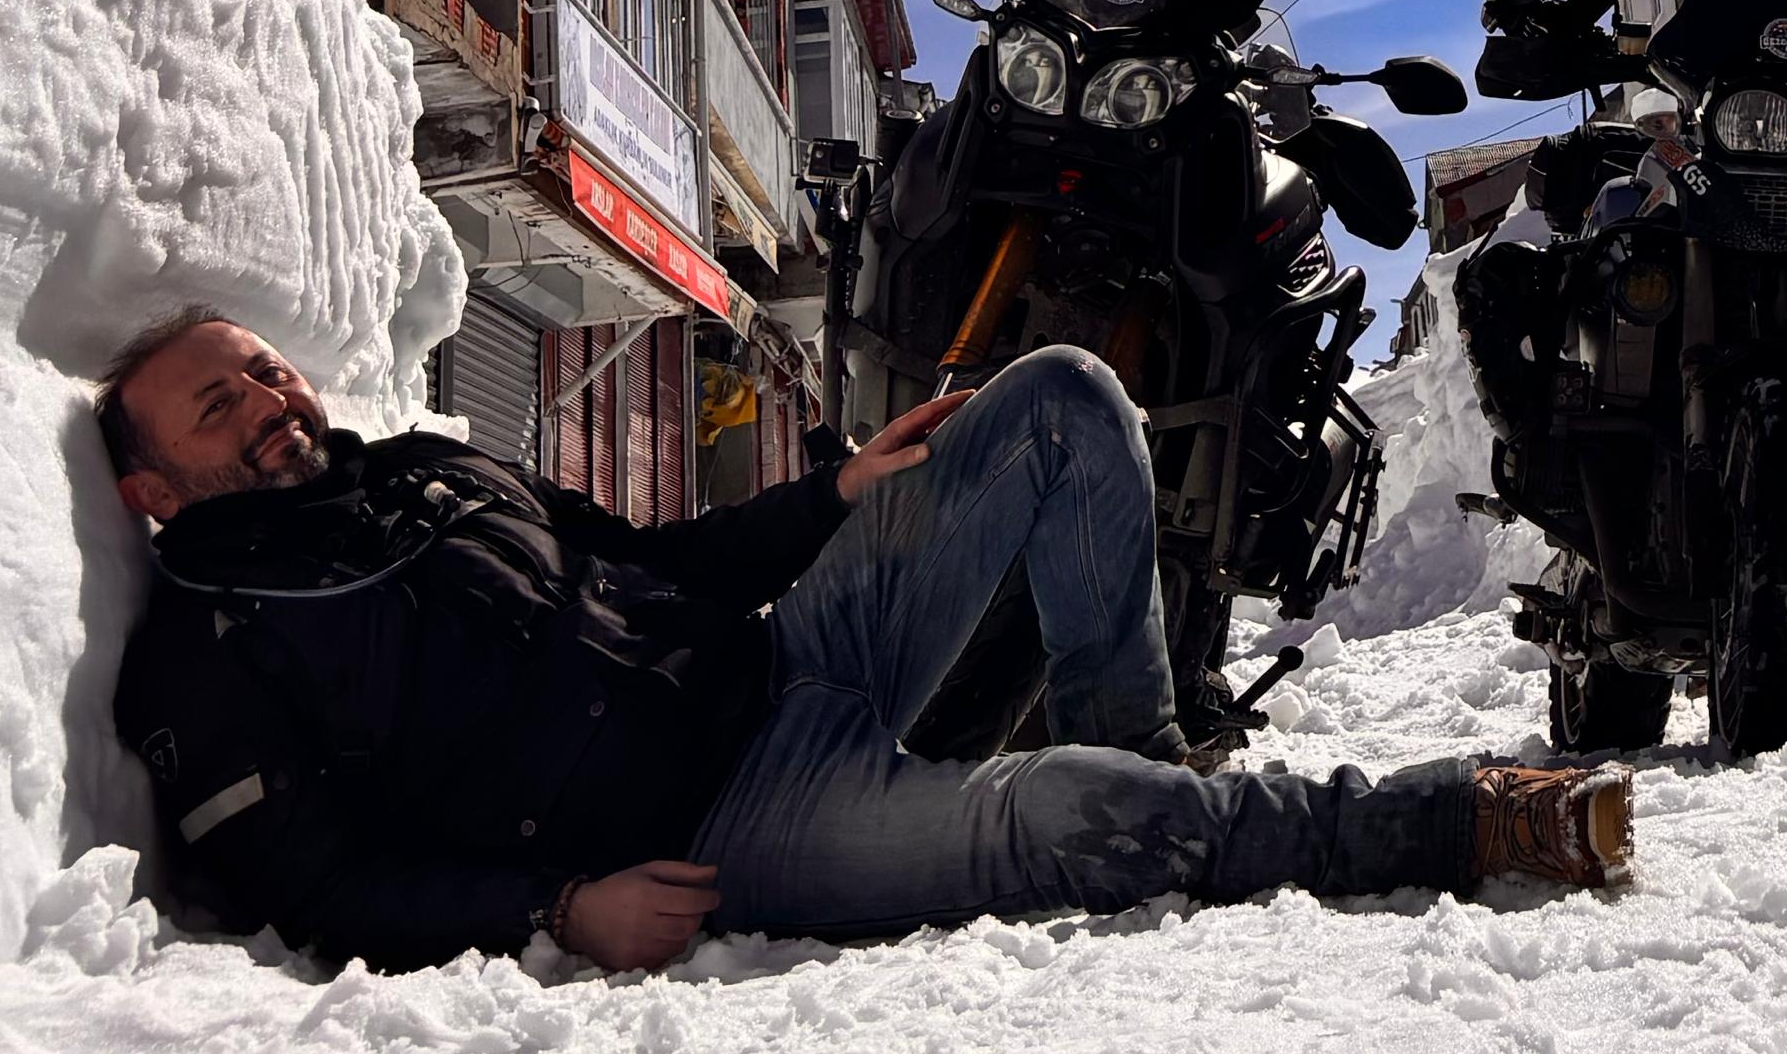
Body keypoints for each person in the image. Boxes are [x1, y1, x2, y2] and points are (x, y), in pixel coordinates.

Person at [106, 318, 1630, 973]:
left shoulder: (427, 469)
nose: (271, 406)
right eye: (218, 407)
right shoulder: (208, 650)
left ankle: (1152, 762)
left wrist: (831, 497)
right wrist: (557, 905)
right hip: (737, 824)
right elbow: (318, 888)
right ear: (151, 490)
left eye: (266, 372)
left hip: (786, 661)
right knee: (1079, 816)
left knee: (1060, 399)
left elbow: (646, 560)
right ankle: (1453, 817)